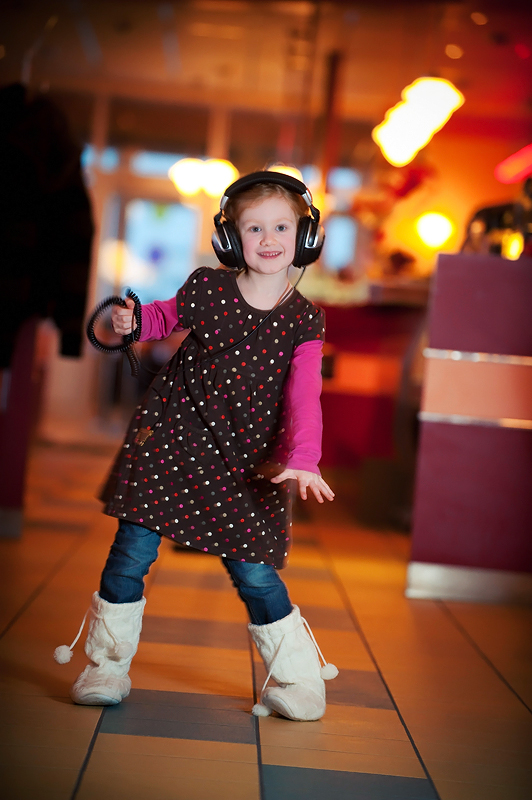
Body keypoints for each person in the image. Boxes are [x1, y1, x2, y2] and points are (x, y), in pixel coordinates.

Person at [55, 171, 337, 722]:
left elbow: (306, 394)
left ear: (305, 236)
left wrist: (304, 457)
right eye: (253, 228)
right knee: (131, 552)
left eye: (281, 227)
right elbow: (163, 317)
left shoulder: (304, 320)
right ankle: (106, 666)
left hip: (244, 460)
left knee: (254, 571)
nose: (268, 239)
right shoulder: (208, 287)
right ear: (230, 237)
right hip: (172, 440)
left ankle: (300, 680)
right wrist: (135, 321)